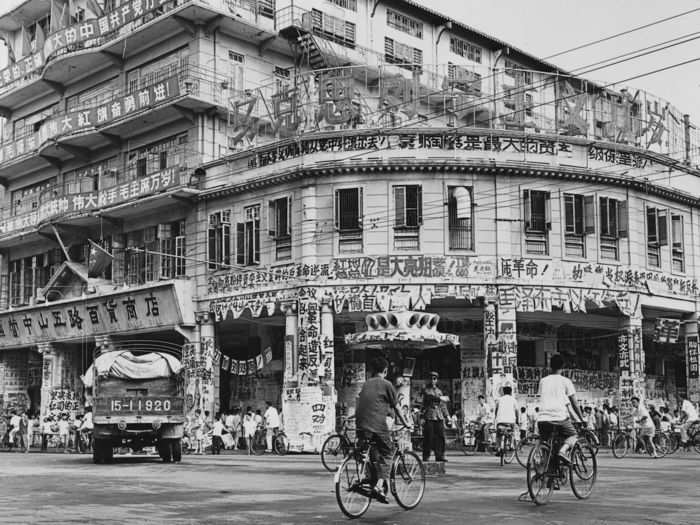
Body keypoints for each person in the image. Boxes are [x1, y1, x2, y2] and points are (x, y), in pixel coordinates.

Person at [355, 356, 412, 504]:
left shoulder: (366, 384)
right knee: (389, 451)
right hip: (376, 425)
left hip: (360, 425)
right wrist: (406, 423)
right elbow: (397, 407)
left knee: (370, 451)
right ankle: (379, 486)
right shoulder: (387, 384)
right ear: (385, 371)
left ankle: (366, 477)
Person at [536, 354, 584, 464]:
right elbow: (574, 403)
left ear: (549, 365)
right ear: (563, 366)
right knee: (573, 435)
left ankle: (544, 467)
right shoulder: (566, 381)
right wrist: (581, 418)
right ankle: (562, 451)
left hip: (542, 419)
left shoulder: (543, 381)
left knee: (545, 442)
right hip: (559, 418)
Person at [421, 371, 449, 462]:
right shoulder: (426, 389)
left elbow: (443, 405)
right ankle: (426, 455)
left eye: (435, 379)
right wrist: (440, 398)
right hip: (429, 414)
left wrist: (447, 416)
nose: (433, 380)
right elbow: (429, 397)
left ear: (437, 380)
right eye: (431, 378)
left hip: (439, 415)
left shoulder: (439, 391)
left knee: (440, 436)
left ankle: (439, 455)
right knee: (428, 436)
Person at [494, 384, 520, 450]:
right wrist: (517, 420)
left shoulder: (499, 400)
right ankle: (511, 445)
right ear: (511, 392)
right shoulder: (514, 400)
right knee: (512, 432)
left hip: (500, 421)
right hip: (511, 421)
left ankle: (498, 447)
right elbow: (517, 411)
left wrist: (496, 417)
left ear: (503, 392)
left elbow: (496, 410)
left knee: (498, 434)